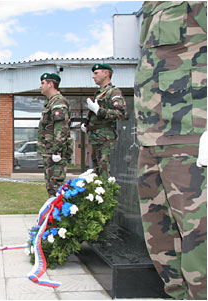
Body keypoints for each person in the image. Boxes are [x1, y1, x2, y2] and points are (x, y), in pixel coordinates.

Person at [134, 2, 207, 299]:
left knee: (198, 240)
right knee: (161, 241)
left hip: (190, 135)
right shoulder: (152, 5)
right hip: (152, 137)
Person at [81, 64, 126, 179]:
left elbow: (120, 113)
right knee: (97, 174)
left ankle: (107, 196)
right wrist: (88, 126)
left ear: (106, 73)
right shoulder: (100, 93)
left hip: (106, 139)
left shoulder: (113, 92)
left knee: (105, 173)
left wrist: (98, 110)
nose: (93, 76)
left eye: (96, 73)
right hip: (96, 139)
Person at [37, 73, 72, 197]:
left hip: (55, 152)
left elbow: (61, 128)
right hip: (50, 151)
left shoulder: (58, 102)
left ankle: (59, 215)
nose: (40, 86)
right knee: (51, 186)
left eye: (43, 83)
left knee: (56, 186)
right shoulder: (51, 102)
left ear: (51, 84)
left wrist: (57, 150)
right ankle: (53, 213)